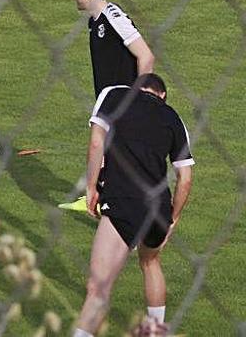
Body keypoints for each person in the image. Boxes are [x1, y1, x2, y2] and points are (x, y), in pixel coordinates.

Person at [74, 74, 194, 336]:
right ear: (162, 95)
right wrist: (172, 218)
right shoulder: (173, 117)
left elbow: (96, 143)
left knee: (98, 288)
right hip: (159, 208)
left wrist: (92, 187)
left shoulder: (114, 94)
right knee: (150, 262)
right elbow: (184, 180)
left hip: (123, 201)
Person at [70, 0, 155, 96]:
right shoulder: (94, 21)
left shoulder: (114, 18)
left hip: (124, 104)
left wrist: (142, 99)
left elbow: (146, 56)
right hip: (108, 102)